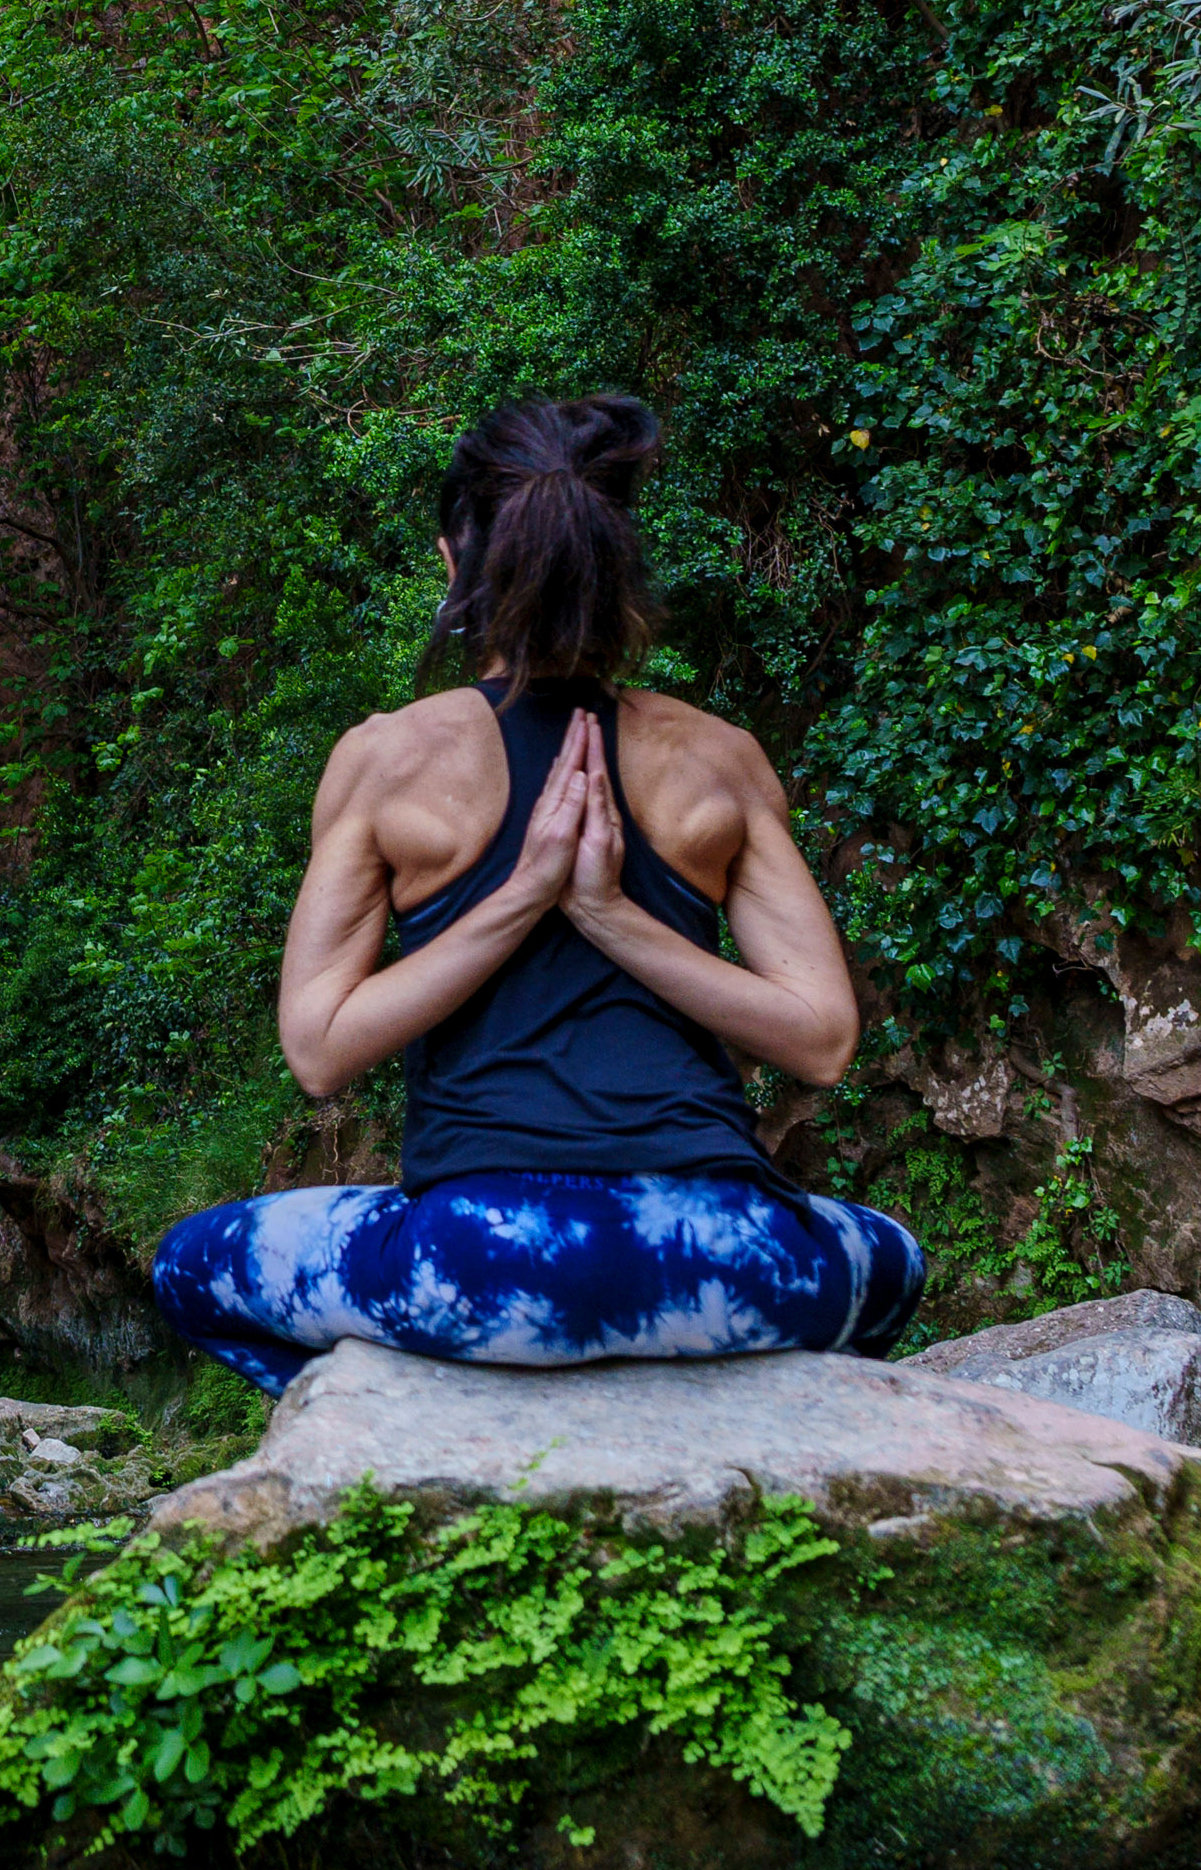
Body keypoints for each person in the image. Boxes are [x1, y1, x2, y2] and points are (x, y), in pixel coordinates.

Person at [148, 390, 923, 1389]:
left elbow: (318, 1048)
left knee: (189, 1263)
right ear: (611, 563)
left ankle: (392, 1428)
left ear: (450, 564)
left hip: (487, 1260)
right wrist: (595, 906)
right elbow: (822, 1037)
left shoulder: (385, 760)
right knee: (890, 1257)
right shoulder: (717, 757)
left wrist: (537, 900)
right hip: (729, 1260)